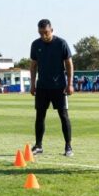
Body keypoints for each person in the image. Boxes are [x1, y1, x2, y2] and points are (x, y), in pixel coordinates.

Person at [30, 19, 74, 156]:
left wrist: (70, 84)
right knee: (40, 116)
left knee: (63, 116)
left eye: (46, 33)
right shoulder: (35, 44)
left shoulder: (61, 43)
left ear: (52, 30)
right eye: (41, 33)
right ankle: (38, 146)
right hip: (42, 86)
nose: (43, 36)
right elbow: (33, 65)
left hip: (59, 86)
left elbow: (69, 64)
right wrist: (32, 84)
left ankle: (68, 147)